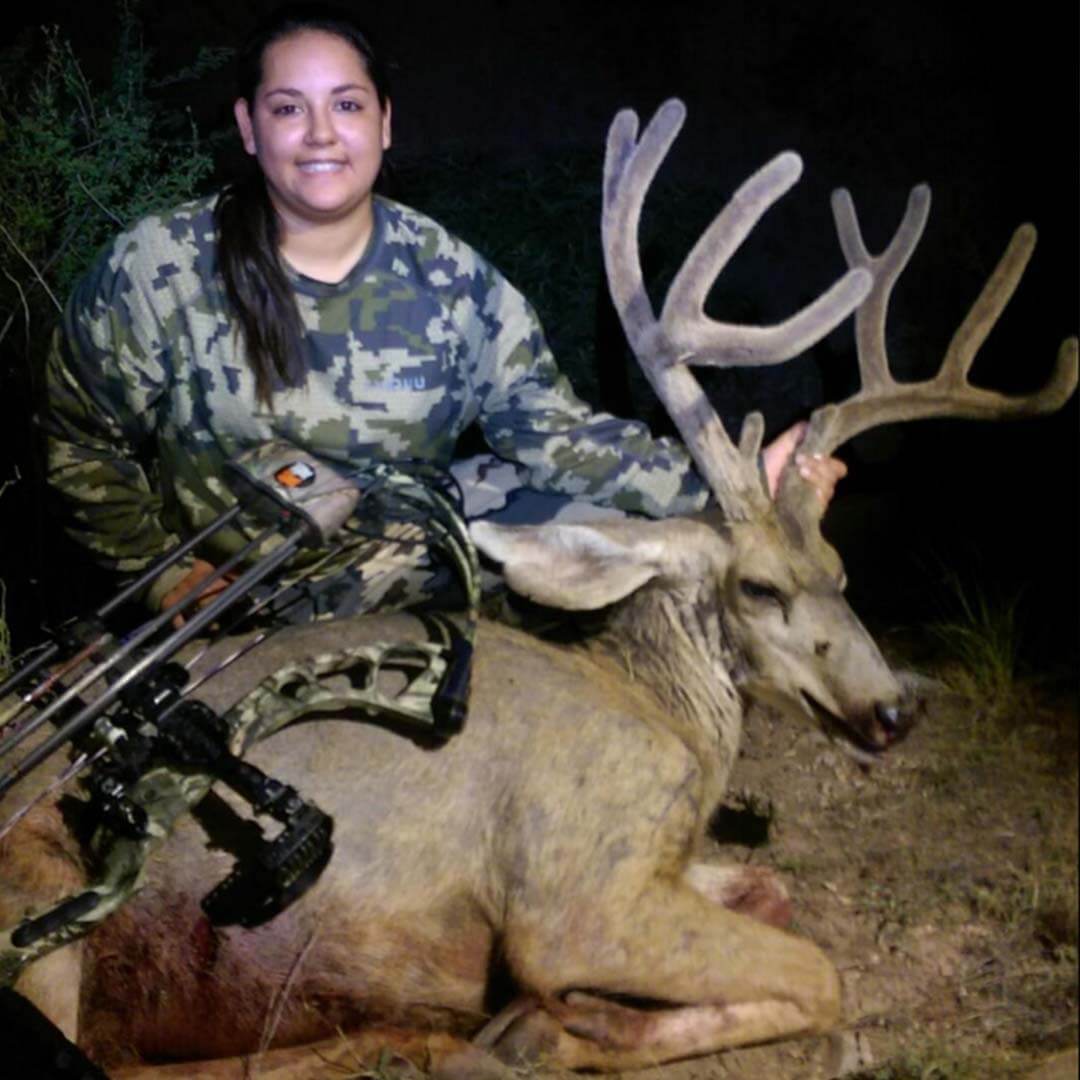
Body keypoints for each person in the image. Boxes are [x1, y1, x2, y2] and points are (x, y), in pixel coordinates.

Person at [43, 3, 845, 622]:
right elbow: (80, 442)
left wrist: (732, 481)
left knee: (630, 548)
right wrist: (165, 578)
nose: (321, 134)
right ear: (250, 128)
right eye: (288, 108)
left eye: (348, 106)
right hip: (226, 597)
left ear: (385, 123)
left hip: (402, 577)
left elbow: (555, 433)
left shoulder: (453, 279)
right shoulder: (160, 266)